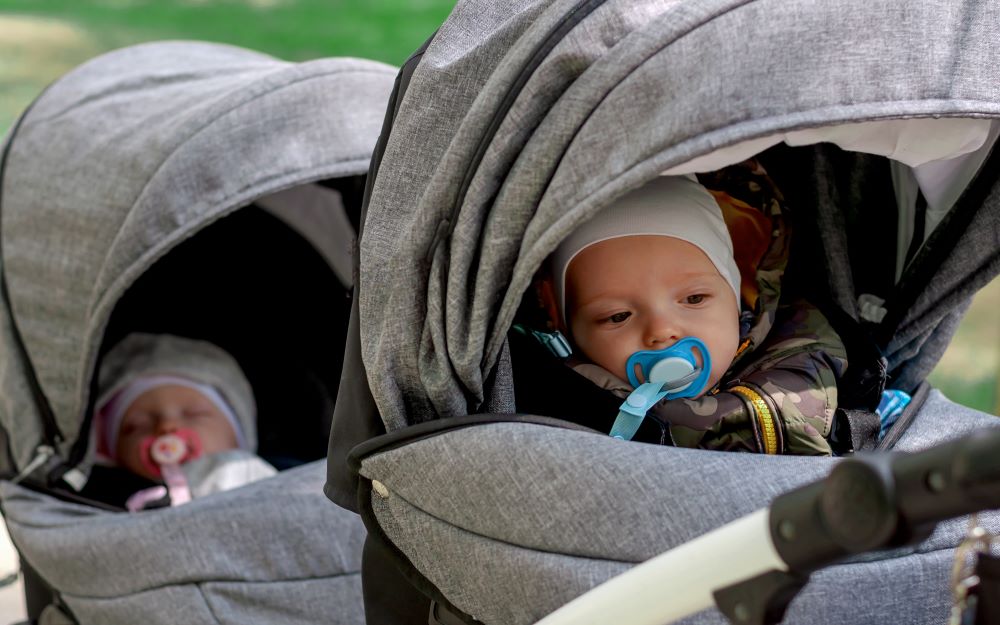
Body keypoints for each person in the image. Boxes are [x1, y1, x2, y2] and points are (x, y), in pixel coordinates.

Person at [533, 164, 847, 455]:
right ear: (566, 329)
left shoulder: (814, 361)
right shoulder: (552, 417)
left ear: (737, 296)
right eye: (618, 316)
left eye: (694, 299)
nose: (661, 331)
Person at [91, 333, 276, 510]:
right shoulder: (98, 495)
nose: (166, 426)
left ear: (238, 438)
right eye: (137, 426)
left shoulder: (249, 475)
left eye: (194, 414)